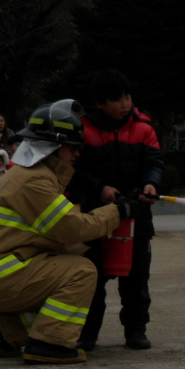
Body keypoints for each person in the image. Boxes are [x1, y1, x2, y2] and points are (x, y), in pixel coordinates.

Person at [0, 99, 130, 365]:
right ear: (52, 147)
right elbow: (72, 228)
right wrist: (117, 212)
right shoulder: (35, 181)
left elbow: (60, 231)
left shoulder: (32, 175)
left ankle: (3, 330)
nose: (77, 154)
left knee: (75, 260)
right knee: (80, 272)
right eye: (72, 147)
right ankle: (48, 344)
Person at [70, 69, 163, 351]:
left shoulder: (144, 128)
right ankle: (87, 335)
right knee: (92, 279)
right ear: (99, 103)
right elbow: (73, 169)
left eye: (127, 97)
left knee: (136, 280)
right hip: (94, 218)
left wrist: (150, 184)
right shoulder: (82, 130)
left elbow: (154, 163)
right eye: (117, 99)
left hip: (137, 216)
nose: (125, 104)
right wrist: (100, 189)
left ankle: (136, 330)